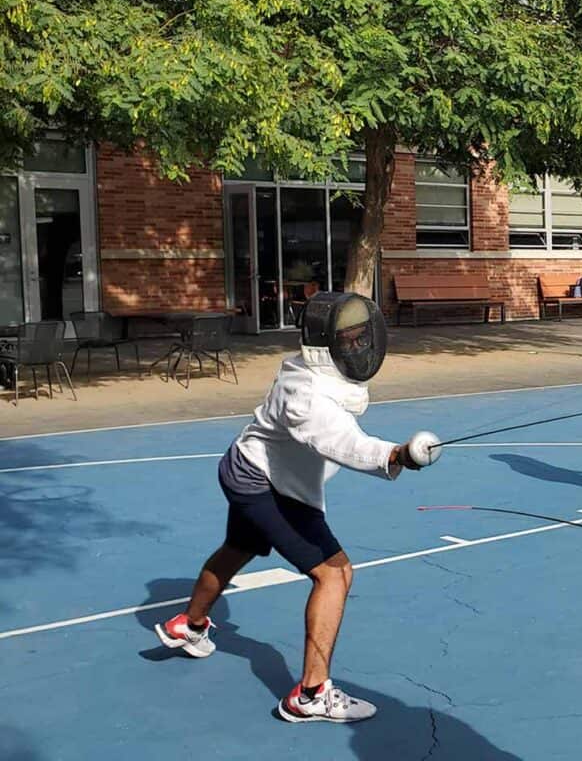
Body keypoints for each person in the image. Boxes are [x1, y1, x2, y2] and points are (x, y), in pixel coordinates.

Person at [154, 292, 436, 722]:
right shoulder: (307, 397)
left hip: (247, 467)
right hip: (264, 484)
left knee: (238, 546)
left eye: (361, 337)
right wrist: (397, 455)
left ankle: (189, 626)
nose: (358, 345)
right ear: (327, 346)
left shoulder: (309, 372)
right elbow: (345, 443)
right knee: (335, 574)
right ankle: (310, 694)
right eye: (349, 339)